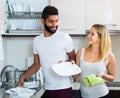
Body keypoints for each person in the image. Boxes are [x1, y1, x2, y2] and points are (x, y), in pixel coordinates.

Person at [17, 5, 76, 98]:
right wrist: (23, 76)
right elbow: (36, 65)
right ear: (42, 21)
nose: (54, 25)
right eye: (51, 21)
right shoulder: (37, 40)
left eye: (56, 21)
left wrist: (65, 64)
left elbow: (73, 57)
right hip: (48, 88)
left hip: (64, 88)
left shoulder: (65, 38)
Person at [75, 24, 116, 98]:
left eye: (92, 34)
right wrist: (71, 67)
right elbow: (75, 77)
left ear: (100, 38)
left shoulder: (109, 55)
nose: (88, 36)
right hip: (84, 95)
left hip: (102, 95)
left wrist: (103, 75)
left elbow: (112, 77)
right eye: (89, 33)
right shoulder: (80, 52)